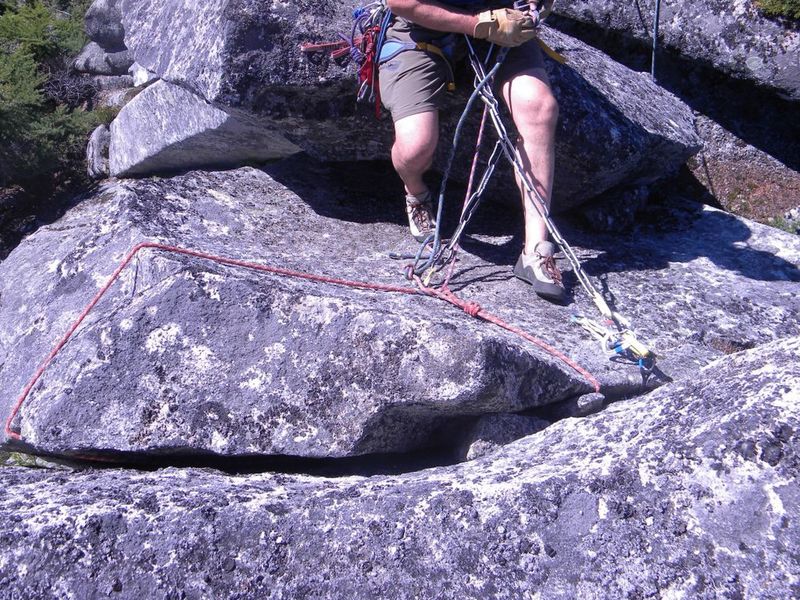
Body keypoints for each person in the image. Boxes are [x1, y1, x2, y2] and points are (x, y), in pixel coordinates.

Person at [380, 0, 564, 302]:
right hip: (422, 31)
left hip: (504, 20)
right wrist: (478, 24)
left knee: (539, 109)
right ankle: (415, 191)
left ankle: (535, 248)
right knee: (415, 147)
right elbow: (403, 3)